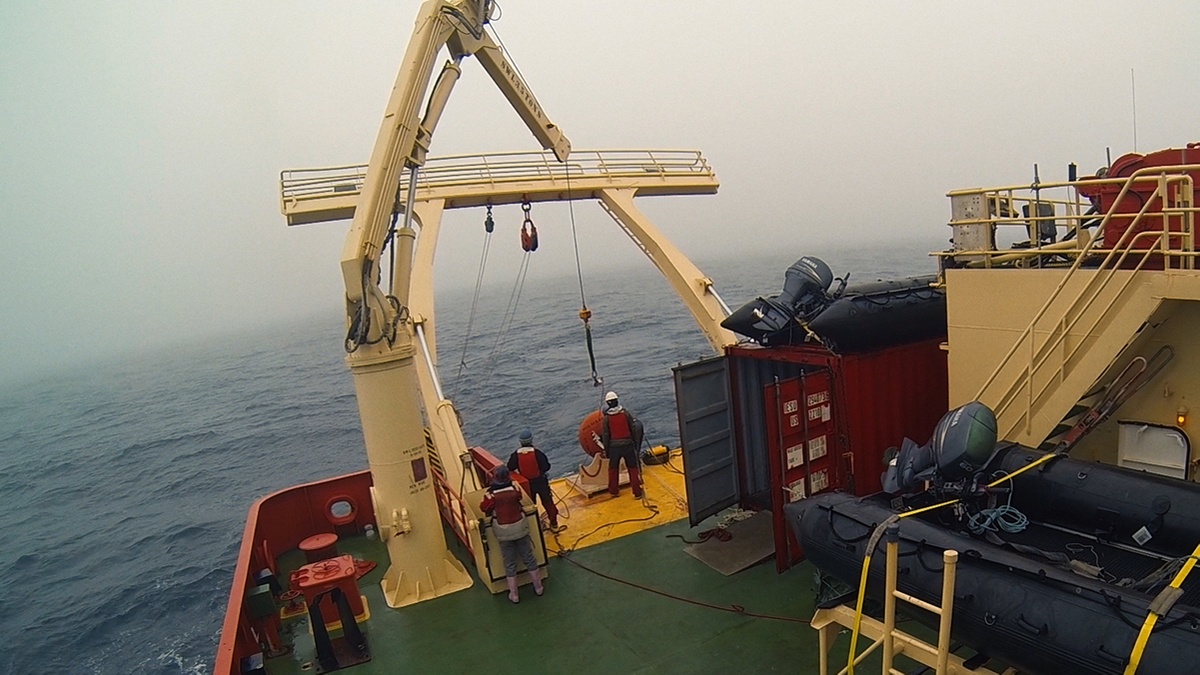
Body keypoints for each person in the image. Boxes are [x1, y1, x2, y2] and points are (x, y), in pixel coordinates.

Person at [479, 465, 544, 603]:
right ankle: (538, 587)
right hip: (519, 527)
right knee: (529, 558)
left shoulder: (490, 495)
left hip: (503, 531)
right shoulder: (514, 489)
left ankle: (514, 595)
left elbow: (484, 507)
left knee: (509, 563)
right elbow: (520, 497)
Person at [507, 428, 562, 532]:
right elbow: (546, 466)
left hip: (527, 484)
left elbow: (510, 467)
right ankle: (554, 525)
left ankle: (535, 527)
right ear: (531, 440)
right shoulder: (538, 453)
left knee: (530, 506)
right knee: (548, 503)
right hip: (541, 482)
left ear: (520, 442)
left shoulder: (516, 455)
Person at [600, 390, 642, 498]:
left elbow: (606, 435)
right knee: (632, 468)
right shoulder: (626, 413)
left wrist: (607, 450)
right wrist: (635, 443)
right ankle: (637, 492)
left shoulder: (606, 418)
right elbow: (633, 428)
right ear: (617, 401)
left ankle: (613, 491)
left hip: (614, 448)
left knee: (613, 469)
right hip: (628, 445)